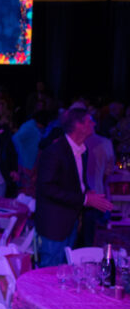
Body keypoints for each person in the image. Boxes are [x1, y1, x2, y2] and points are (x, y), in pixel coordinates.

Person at [35, 108, 114, 267]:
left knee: (66, 268)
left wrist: (87, 192)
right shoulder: (55, 152)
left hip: (70, 221)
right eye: (89, 120)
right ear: (78, 125)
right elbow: (46, 188)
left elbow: (76, 183)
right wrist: (85, 199)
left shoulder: (83, 151)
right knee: (49, 271)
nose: (94, 123)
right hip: (54, 224)